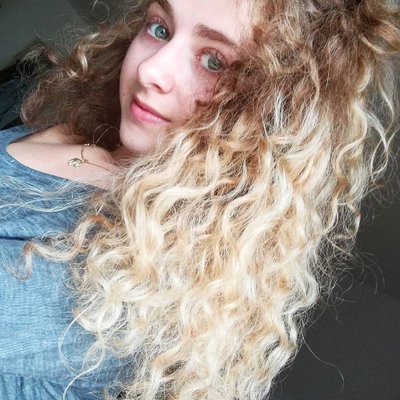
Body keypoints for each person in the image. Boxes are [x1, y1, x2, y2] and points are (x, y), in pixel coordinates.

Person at [1, 0, 399, 399]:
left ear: (270, 118)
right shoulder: (83, 130)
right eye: (160, 28)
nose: (150, 69)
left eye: (213, 61)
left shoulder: (127, 288)